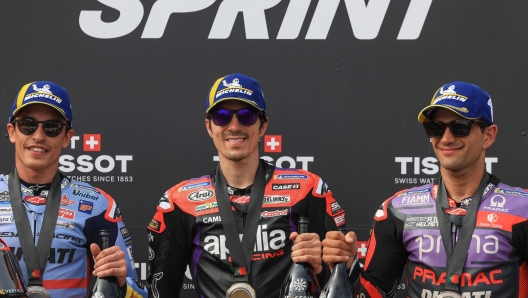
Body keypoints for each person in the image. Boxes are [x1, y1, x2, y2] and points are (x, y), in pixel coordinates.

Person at [146, 73, 347, 297]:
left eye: (246, 115)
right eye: (221, 116)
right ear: (209, 127)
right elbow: (159, 292)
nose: (234, 126)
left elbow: (344, 285)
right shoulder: (180, 202)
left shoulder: (308, 190)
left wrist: (323, 268)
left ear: (263, 126)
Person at [322, 81, 528, 297]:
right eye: (435, 128)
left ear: (489, 135)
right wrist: (347, 269)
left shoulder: (521, 210)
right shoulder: (400, 209)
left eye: (460, 127)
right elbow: (373, 292)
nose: (446, 138)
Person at [1, 81, 147, 297]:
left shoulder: (96, 204)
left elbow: (139, 294)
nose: (38, 136)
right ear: (12, 132)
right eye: (28, 125)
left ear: (67, 137)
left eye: (52, 127)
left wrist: (121, 284)